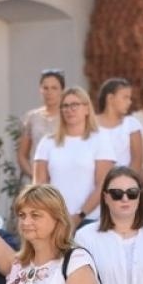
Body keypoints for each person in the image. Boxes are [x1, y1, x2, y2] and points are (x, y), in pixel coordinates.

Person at [34, 87, 113, 226]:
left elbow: (103, 184)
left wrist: (79, 215)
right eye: (65, 106)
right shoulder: (47, 142)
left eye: (75, 105)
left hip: (90, 219)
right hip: (54, 220)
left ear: (87, 109)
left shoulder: (101, 139)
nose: (69, 109)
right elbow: (39, 184)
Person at [17, 69, 65, 180]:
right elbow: (22, 155)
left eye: (54, 88)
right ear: (40, 90)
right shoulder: (32, 117)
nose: (49, 92)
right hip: (37, 179)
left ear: (62, 91)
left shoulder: (68, 116)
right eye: (45, 88)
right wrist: (34, 176)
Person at [95, 77, 143, 173]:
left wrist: (124, 183)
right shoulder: (91, 123)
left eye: (130, 98)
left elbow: (137, 161)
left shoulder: (131, 124)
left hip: (123, 182)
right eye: (125, 97)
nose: (129, 102)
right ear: (110, 98)